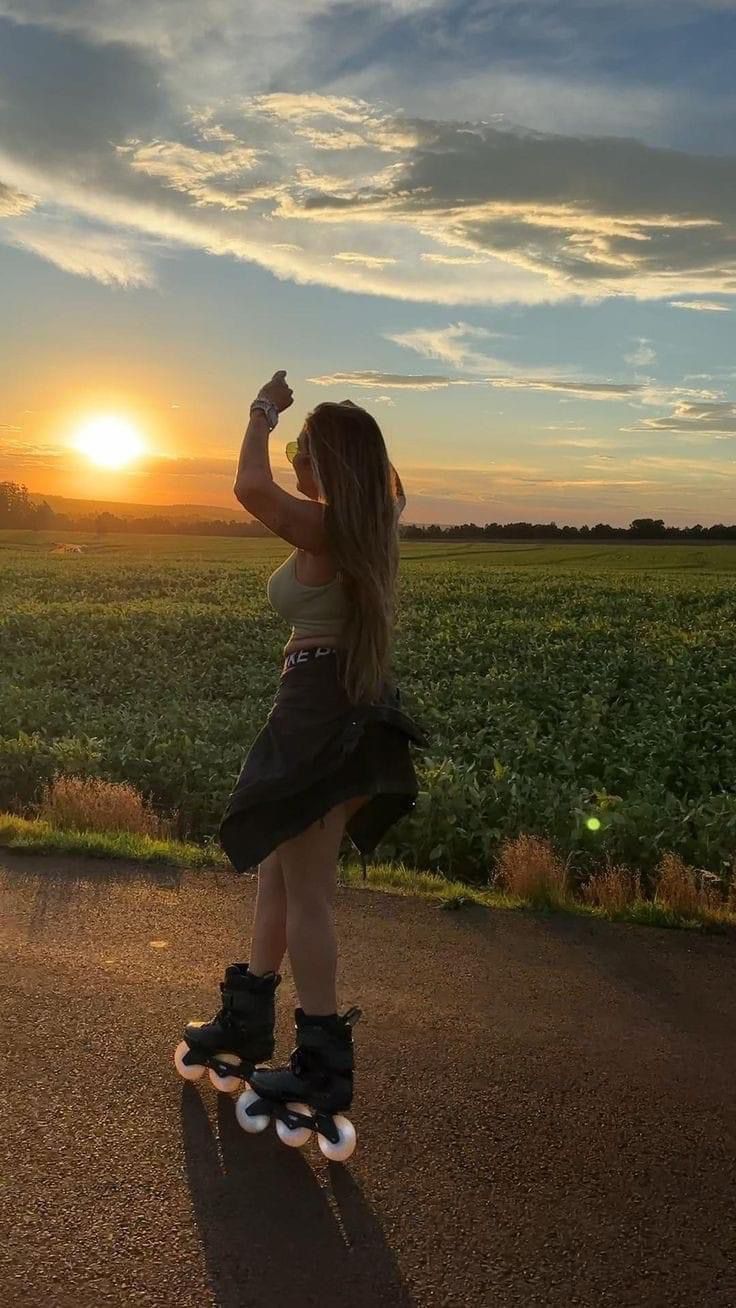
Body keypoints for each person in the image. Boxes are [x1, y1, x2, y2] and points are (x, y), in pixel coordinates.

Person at [175, 371, 429, 1155]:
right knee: (280, 878)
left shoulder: (328, 528)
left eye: (302, 452)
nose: (291, 462)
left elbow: (248, 485)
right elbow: (381, 486)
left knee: (308, 892)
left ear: (329, 463)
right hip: (338, 708)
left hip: (320, 712)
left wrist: (260, 410)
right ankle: (247, 1017)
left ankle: (321, 1063)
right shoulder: (369, 523)